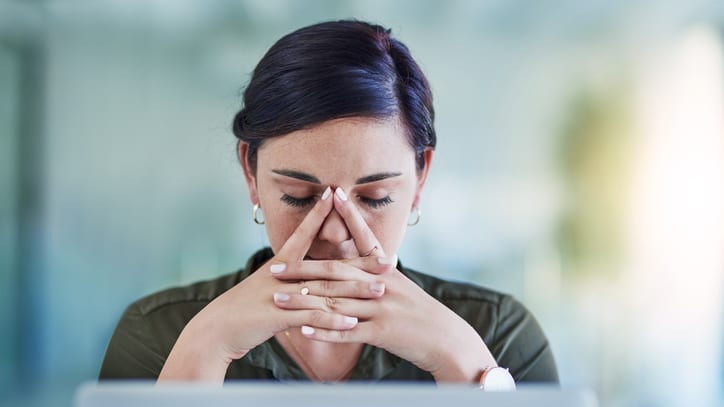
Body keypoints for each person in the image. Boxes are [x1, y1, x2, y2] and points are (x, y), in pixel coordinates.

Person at [99, 19, 558, 385]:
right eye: (299, 197)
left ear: (420, 180)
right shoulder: (159, 332)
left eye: (375, 197)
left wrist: (464, 364)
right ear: (251, 175)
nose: (336, 233)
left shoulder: (499, 334)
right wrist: (205, 347)